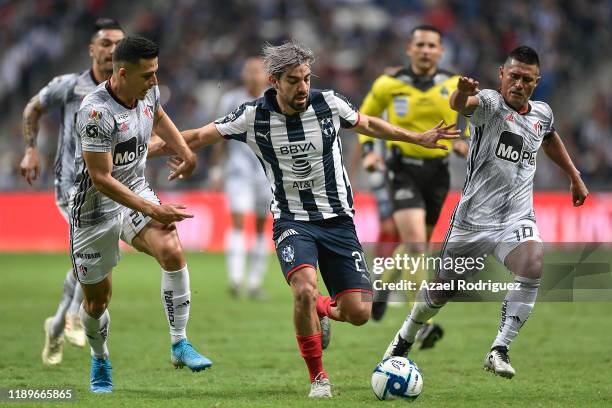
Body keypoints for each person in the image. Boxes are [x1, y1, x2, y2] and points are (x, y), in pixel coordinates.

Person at [149, 40, 459, 398]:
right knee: (304, 290)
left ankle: (323, 309)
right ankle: (318, 379)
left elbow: (370, 124)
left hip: (339, 220)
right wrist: (144, 149)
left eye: (307, 79)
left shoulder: (328, 104)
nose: (303, 88)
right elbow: (199, 136)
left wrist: (417, 137)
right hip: (292, 221)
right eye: (294, 81)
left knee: (359, 312)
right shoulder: (253, 115)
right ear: (274, 81)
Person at [383, 45, 589, 379]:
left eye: (527, 79)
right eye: (514, 76)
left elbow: (549, 138)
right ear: (502, 76)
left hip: (516, 219)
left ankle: (499, 349)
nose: (519, 84)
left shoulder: (542, 113)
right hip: (472, 223)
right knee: (441, 291)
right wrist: (461, 95)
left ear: (536, 82)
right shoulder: (491, 104)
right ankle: (405, 336)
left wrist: (574, 176)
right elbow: (463, 105)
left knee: (533, 264)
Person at [71, 35, 212, 393]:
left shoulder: (148, 91)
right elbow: (101, 179)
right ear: (122, 73)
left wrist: (186, 152)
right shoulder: (96, 112)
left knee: (172, 251)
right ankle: (100, 357)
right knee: (96, 300)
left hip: (135, 189)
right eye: (148, 75)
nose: (155, 82)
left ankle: (179, 343)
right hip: (94, 211)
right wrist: (153, 207)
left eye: (156, 73)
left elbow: (160, 115)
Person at [19, 18, 125, 366]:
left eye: (118, 44)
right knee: (96, 257)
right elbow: (33, 108)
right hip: (72, 189)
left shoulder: (125, 91)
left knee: (95, 259)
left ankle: (56, 325)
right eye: (106, 44)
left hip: (112, 187)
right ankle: (76, 318)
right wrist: (31, 149)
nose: (112, 50)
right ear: (92, 49)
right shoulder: (69, 86)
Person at [358, 26, 469, 346]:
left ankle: (382, 285)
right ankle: (421, 323)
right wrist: (369, 154)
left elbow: (474, 119)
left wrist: (464, 142)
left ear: (440, 51)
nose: (425, 50)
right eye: (419, 44)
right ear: (409, 48)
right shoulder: (389, 84)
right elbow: (365, 118)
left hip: (438, 174)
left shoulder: (453, 84)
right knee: (417, 245)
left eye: (431, 45)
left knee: (416, 248)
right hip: (401, 169)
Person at [209, 57, 271, 299]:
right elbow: (217, 135)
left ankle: (254, 283)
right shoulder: (230, 99)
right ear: (243, 75)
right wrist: (216, 170)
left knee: (259, 225)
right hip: (238, 170)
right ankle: (235, 279)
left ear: (267, 75)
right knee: (237, 222)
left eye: (258, 71)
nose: (253, 75)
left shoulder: (274, 98)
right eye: (249, 71)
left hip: (266, 171)